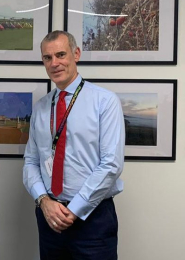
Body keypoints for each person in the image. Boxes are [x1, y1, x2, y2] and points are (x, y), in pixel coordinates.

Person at [23, 30, 125, 260]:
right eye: (47, 58)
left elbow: (111, 164)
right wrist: (43, 201)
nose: (54, 63)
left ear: (76, 54)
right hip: (50, 216)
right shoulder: (41, 107)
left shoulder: (104, 101)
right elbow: (31, 161)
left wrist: (75, 208)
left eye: (60, 54)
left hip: (93, 218)